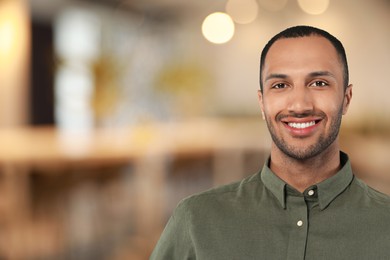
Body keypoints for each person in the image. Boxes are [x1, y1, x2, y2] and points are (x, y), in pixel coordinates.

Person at [150, 25, 390, 259]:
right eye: (280, 85)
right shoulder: (196, 220)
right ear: (262, 103)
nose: (300, 105)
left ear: (346, 99)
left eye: (319, 83)